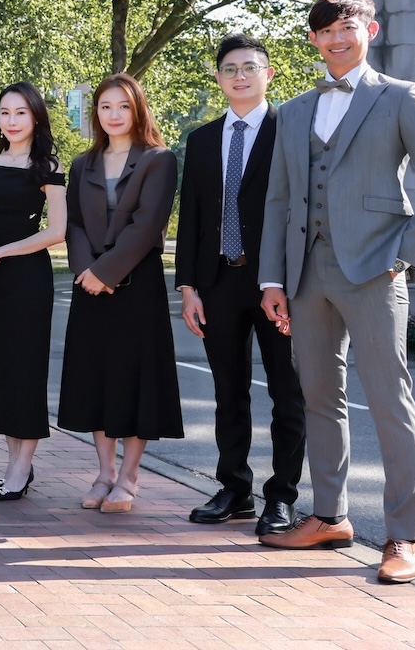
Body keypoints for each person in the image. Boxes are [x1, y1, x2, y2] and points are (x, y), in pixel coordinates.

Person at [257, 0, 415, 584]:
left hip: (375, 270)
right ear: (314, 40)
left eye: (347, 28)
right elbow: (278, 201)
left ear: (370, 31)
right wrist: (272, 278)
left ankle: (404, 537)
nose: (337, 39)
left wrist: (402, 257)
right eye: (325, 31)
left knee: (390, 401)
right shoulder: (294, 110)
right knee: (319, 397)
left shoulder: (402, 97)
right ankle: (329, 517)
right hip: (305, 273)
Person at [175, 34, 304, 537]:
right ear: (218, 78)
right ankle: (234, 489)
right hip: (218, 281)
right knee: (228, 393)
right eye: (230, 69)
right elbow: (192, 217)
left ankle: (282, 497)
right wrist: (188, 286)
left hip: (278, 283)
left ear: (268, 74)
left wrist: (291, 279)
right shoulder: (202, 139)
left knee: (287, 393)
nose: (240, 76)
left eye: (250, 67)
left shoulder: (291, 130)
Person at [58, 73, 181, 514]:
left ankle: (128, 477)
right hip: (89, 286)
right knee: (96, 378)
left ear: (138, 109)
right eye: (105, 106)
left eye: (123, 106)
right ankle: (104, 473)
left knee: (134, 379)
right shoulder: (82, 164)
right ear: (96, 112)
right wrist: (86, 270)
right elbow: (73, 222)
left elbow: (148, 225)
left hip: (137, 286)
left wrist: (106, 271)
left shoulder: (159, 159)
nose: (114, 114)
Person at [0, 82, 66, 500]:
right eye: (5, 113)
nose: (11, 121)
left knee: (26, 369)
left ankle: (21, 465)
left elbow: (57, 231)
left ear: (36, 117)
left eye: (21, 112)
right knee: (2, 370)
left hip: (28, 278)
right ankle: (14, 463)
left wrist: (3, 250)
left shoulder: (48, 166)